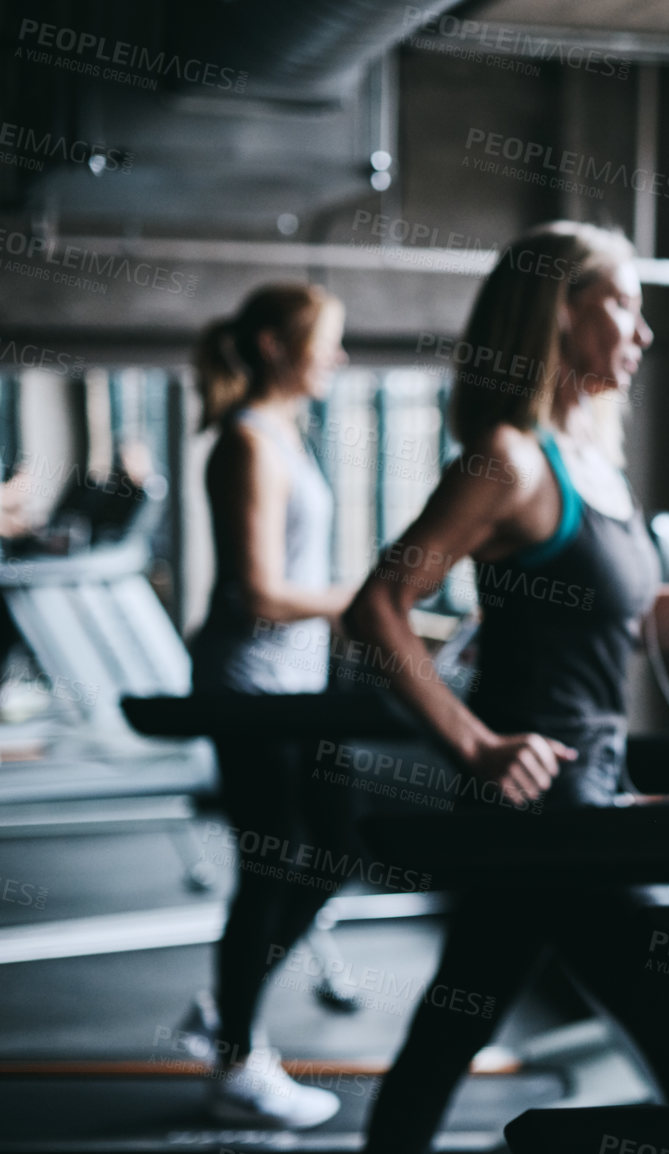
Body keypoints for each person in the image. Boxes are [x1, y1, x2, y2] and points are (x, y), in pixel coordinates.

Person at [344, 221, 669, 1154]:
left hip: (585, 799)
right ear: (559, 311)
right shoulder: (509, 459)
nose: (643, 330)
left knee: (452, 1023)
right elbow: (379, 606)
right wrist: (473, 744)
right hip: (549, 813)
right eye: (621, 303)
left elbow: (634, 623)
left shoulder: (592, 465)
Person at [187, 282, 358, 1127]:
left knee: (334, 847)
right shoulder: (247, 441)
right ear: (271, 347)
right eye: (325, 341)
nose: (337, 356)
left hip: (294, 690)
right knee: (274, 866)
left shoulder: (283, 433)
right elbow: (257, 591)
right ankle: (235, 1064)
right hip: (249, 690)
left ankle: (228, 1008)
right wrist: (361, 600)